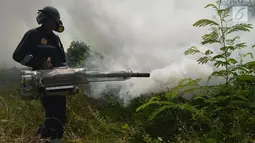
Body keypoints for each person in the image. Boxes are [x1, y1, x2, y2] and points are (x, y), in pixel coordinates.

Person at [12, 6, 67, 142]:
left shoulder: (56, 39)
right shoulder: (33, 35)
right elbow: (18, 55)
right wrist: (38, 63)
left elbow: (62, 60)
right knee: (53, 113)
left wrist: (65, 69)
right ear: (47, 20)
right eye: (55, 21)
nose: (56, 24)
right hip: (42, 81)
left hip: (58, 80)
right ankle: (51, 138)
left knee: (60, 114)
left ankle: (42, 136)